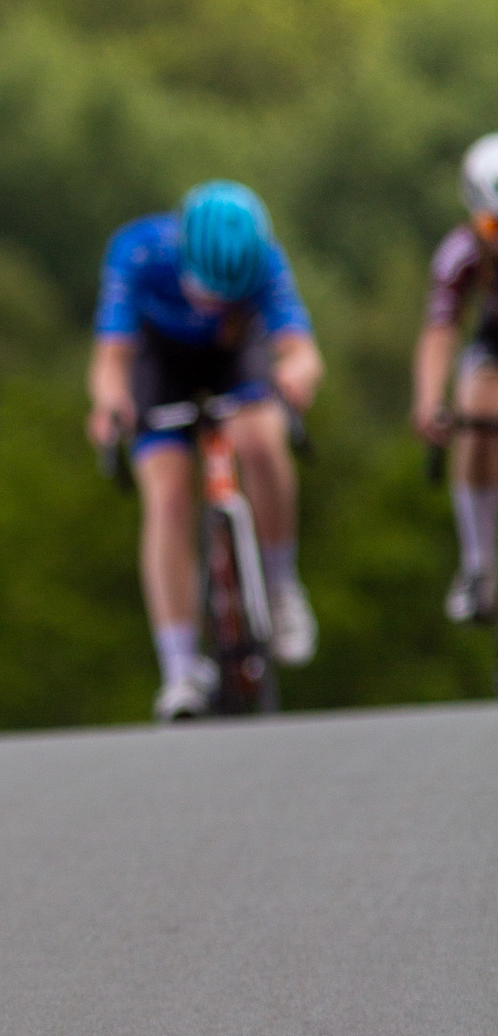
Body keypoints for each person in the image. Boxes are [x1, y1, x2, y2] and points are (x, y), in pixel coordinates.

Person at [87, 181, 323, 721]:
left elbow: (300, 349)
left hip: (233, 357)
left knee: (261, 440)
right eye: (206, 289)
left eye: (227, 294)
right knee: (167, 496)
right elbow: (111, 358)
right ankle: (178, 671)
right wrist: (110, 406)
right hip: (160, 366)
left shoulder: (265, 260)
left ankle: (282, 587)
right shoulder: (139, 252)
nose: (214, 301)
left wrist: (296, 375)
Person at [411, 133, 498, 621]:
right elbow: (440, 334)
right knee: (477, 412)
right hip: (492, 341)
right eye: (493, 224)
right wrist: (428, 400)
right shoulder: (460, 253)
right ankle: (478, 564)